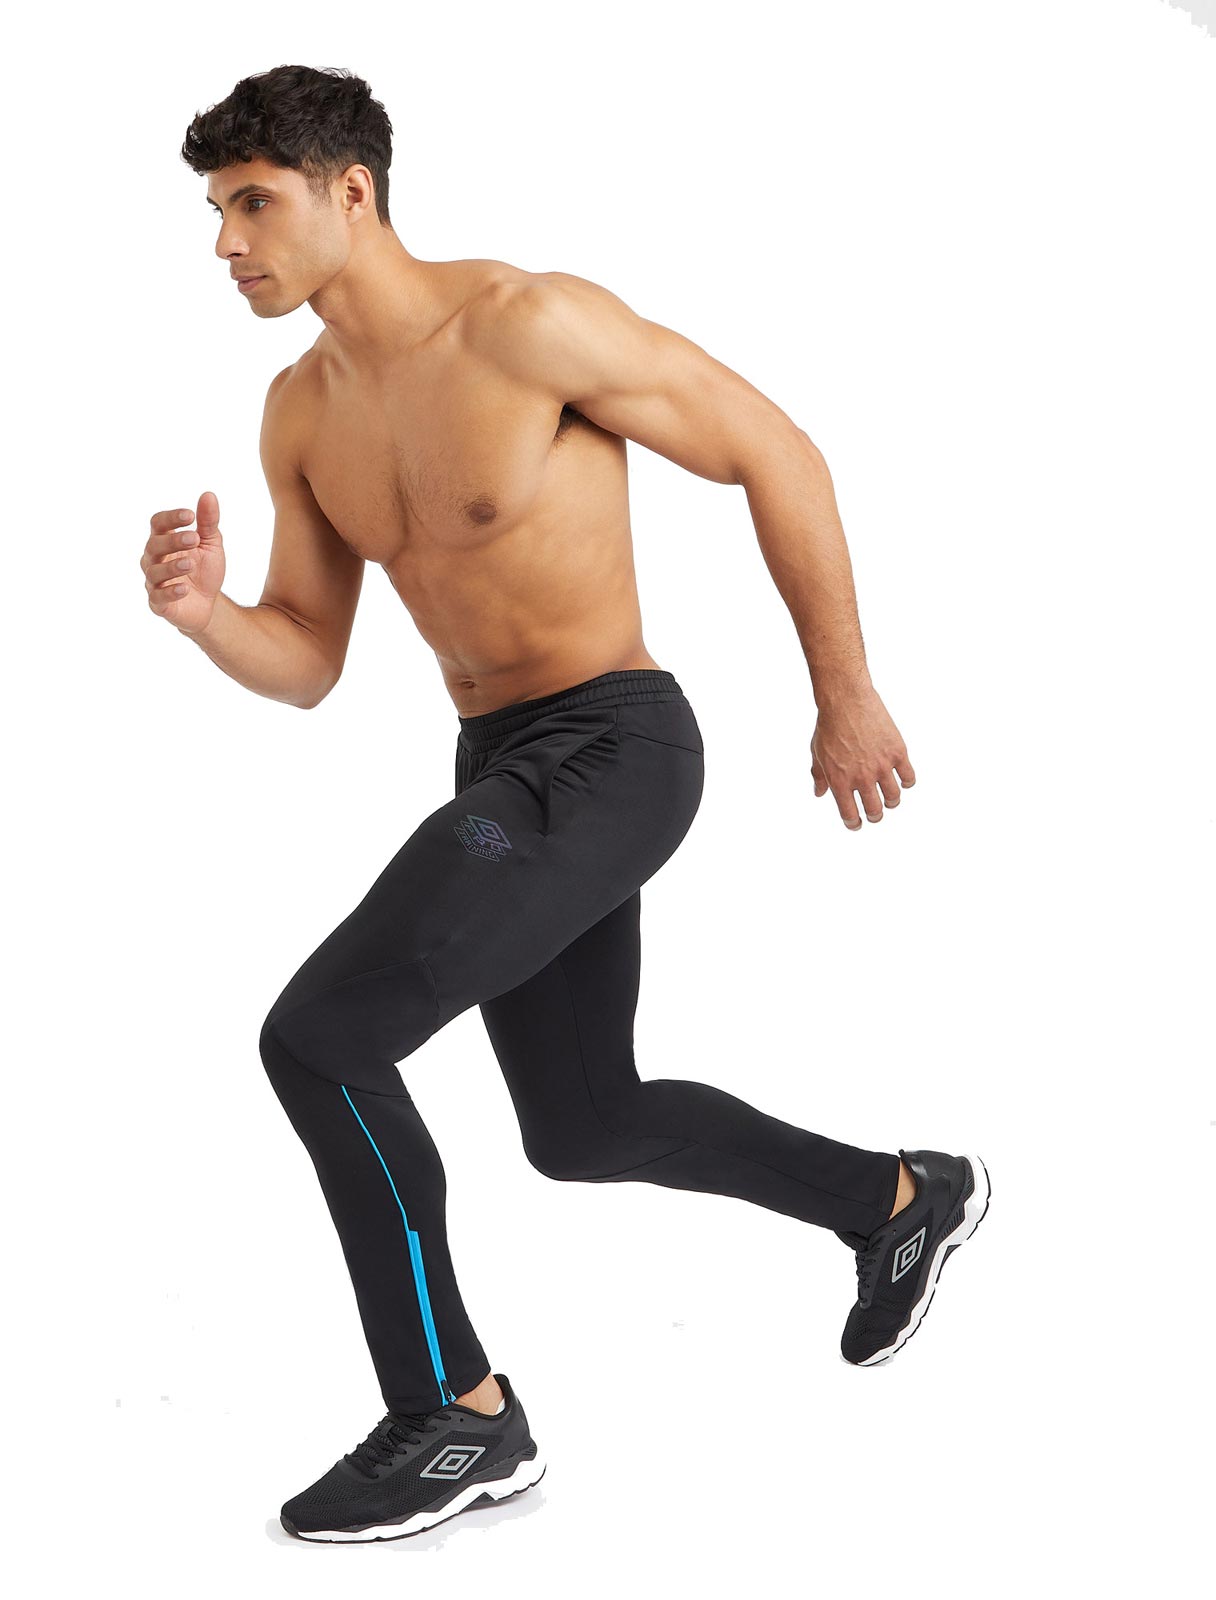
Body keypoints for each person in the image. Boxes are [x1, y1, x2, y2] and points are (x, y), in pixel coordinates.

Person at [148, 64, 990, 1544]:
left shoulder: (528, 326)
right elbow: (312, 658)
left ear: (353, 190)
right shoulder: (299, 413)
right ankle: (899, 1200)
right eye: (216, 211)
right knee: (584, 1123)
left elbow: (774, 450)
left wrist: (845, 692)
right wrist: (211, 617)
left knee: (322, 1036)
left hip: (614, 749)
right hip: (500, 766)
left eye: (254, 203)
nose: (227, 243)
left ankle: (455, 1414)